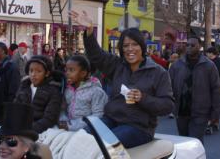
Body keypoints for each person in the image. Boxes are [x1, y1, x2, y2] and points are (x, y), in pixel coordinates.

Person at [73, 10, 174, 148]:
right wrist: (90, 30)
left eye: (134, 44)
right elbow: (97, 55)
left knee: (107, 146)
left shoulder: (158, 72)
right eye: (126, 46)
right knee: (82, 138)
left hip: (139, 127)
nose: (130, 49)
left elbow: (167, 106)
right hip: (111, 119)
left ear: (142, 47)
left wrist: (142, 98)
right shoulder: (118, 65)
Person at [169, 35, 220, 143]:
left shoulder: (209, 66)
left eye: (192, 45)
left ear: (200, 46)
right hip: (181, 112)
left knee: (195, 142)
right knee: (183, 142)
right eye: (187, 45)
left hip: (200, 112)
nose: (189, 47)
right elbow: (169, 86)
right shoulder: (177, 65)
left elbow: (216, 90)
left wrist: (215, 113)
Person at [14, 55, 63, 134]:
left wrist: (29, 130)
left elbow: (50, 118)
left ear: (46, 73)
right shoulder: (24, 87)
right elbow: (16, 108)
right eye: (31, 71)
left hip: (41, 132)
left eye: (38, 71)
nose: (33, 74)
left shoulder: (53, 91)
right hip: (20, 128)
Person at [58, 55, 108, 131]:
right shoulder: (67, 89)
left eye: (71, 70)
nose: (67, 73)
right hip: (68, 127)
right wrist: (63, 120)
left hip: (86, 130)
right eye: (66, 70)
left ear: (83, 73)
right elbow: (63, 109)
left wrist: (72, 125)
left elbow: (98, 116)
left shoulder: (96, 91)